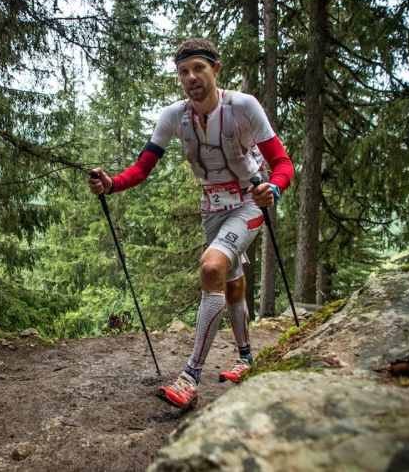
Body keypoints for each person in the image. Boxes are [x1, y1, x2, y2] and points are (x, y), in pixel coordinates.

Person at [88, 38, 294, 409]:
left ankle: (190, 377)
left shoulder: (244, 107)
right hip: (211, 210)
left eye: (199, 68)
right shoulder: (174, 116)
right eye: (183, 71)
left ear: (216, 69)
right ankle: (246, 358)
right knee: (231, 283)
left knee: (212, 265)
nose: (191, 77)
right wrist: (111, 183)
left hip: (249, 203)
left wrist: (273, 189)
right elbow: (143, 167)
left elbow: (283, 164)